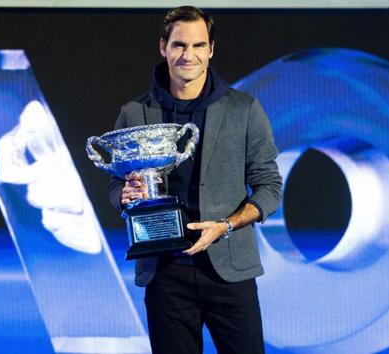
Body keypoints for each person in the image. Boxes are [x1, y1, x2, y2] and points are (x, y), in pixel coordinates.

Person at [107, 6, 282, 354]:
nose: (188, 55)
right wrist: (124, 195)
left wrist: (226, 225)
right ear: (163, 48)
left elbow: (270, 187)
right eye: (179, 45)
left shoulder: (243, 110)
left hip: (228, 269)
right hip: (165, 272)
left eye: (198, 46)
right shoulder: (136, 112)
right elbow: (116, 185)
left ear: (211, 50)